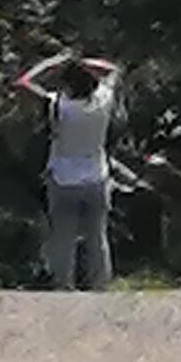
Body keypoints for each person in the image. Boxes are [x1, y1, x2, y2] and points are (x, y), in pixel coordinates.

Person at [19, 52, 119, 289]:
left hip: (63, 178)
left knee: (63, 237)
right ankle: (100, 284)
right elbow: (112, 69)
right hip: (97, 175)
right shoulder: (104, 99)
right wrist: (82, 63)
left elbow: (23, 84)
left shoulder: (58, 106)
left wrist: (51, 62)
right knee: (97, 236)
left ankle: (64, 284)